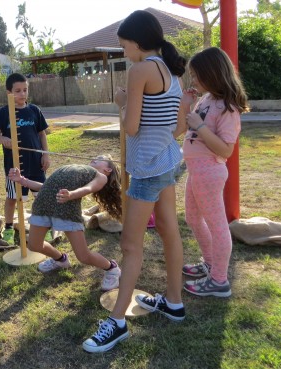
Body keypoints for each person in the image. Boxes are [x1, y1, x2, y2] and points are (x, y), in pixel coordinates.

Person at [83, 10, 187, 353]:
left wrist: (122, 102)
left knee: (130, 245)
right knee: (170, 230)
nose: (123, 51)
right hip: (168, 162)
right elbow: (171, 125)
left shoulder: (141, 70)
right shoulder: (172, 74)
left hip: (146, 168)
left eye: (124, 44)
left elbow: (130, 127)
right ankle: (174, 301)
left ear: (138, 41)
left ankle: (117, 323)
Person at [176, 47, 248, 297]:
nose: (193, 80)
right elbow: (188, 128)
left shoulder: (228, 107)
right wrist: (186, 106)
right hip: (197, 172)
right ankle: (209, 263)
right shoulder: (207, 100)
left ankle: (219, 280)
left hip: (209, 172)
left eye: (197, 75)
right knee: (193, 219)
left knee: (217, 226)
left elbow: (226, 150)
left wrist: (202, 126)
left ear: (212, 74)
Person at [8, 154, 122, 291]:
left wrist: (71, 195)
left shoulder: (101, 177)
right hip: (43, 206)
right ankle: (60, 259)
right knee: (34, 245)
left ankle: (112, 268)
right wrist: (23, 180)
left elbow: (89, 189)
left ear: (108, 170)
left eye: (101, 158)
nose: (95, 158)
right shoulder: (76, 167)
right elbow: (46, 186)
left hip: (67, 210)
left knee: (83, 256)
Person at [0, 73, 51, 244]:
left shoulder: (34, 110)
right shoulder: (3, 113)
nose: (22, 94)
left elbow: (41, 134)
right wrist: (3, 139)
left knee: (41, 196)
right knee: (12, 197)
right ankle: (9, 227)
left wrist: (45, 154)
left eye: (25, 90)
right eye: (17, 91)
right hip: (14, 167)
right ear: (8, 92)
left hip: (36, 164)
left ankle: (44, 226)